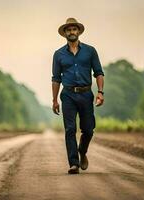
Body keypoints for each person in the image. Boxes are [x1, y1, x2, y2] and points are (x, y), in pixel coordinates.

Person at [51, 18, 105, 174]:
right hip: (67, 95)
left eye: (74, 29)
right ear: (65, 33)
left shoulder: (90, 51)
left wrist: (100, 92)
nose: (71, 32)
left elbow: (99, 73)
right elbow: (56, 78)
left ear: (78, 31)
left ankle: (82, 151)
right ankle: (73, 163)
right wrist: (54, 100)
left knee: (88, 129)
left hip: (86, 94)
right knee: (70, 129)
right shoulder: (58, 54)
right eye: (68, 30)